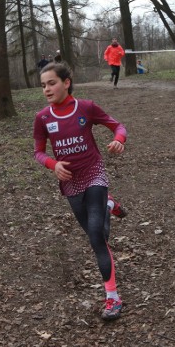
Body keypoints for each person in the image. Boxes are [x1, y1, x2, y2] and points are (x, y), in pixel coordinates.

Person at [33, 61, 128, 320]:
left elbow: (118, 126)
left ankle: (112, 298)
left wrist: (118, 140)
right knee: (98, 234)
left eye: (51, 83)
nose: (47, 89)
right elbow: (38, 152)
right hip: (70, 183)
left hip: (94, 174)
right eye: (43, 85)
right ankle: (109, 205)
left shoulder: (85, 108)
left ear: (66, 82)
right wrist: (53, 164)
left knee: (96, 235)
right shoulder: (43, 118)